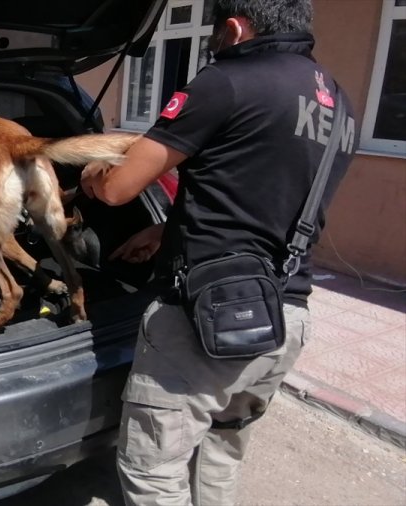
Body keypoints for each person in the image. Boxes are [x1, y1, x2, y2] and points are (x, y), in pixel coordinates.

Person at [79, 1, 356, 504]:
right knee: (221, 455)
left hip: (202, 323)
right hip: (283, 319)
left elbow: (119, 189)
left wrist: (90, 174)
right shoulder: (339, 103)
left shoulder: (227, 80)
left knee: (153, 470)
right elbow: (266, 192)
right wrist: (167, 233)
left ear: (234, 27)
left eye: (213, 30)